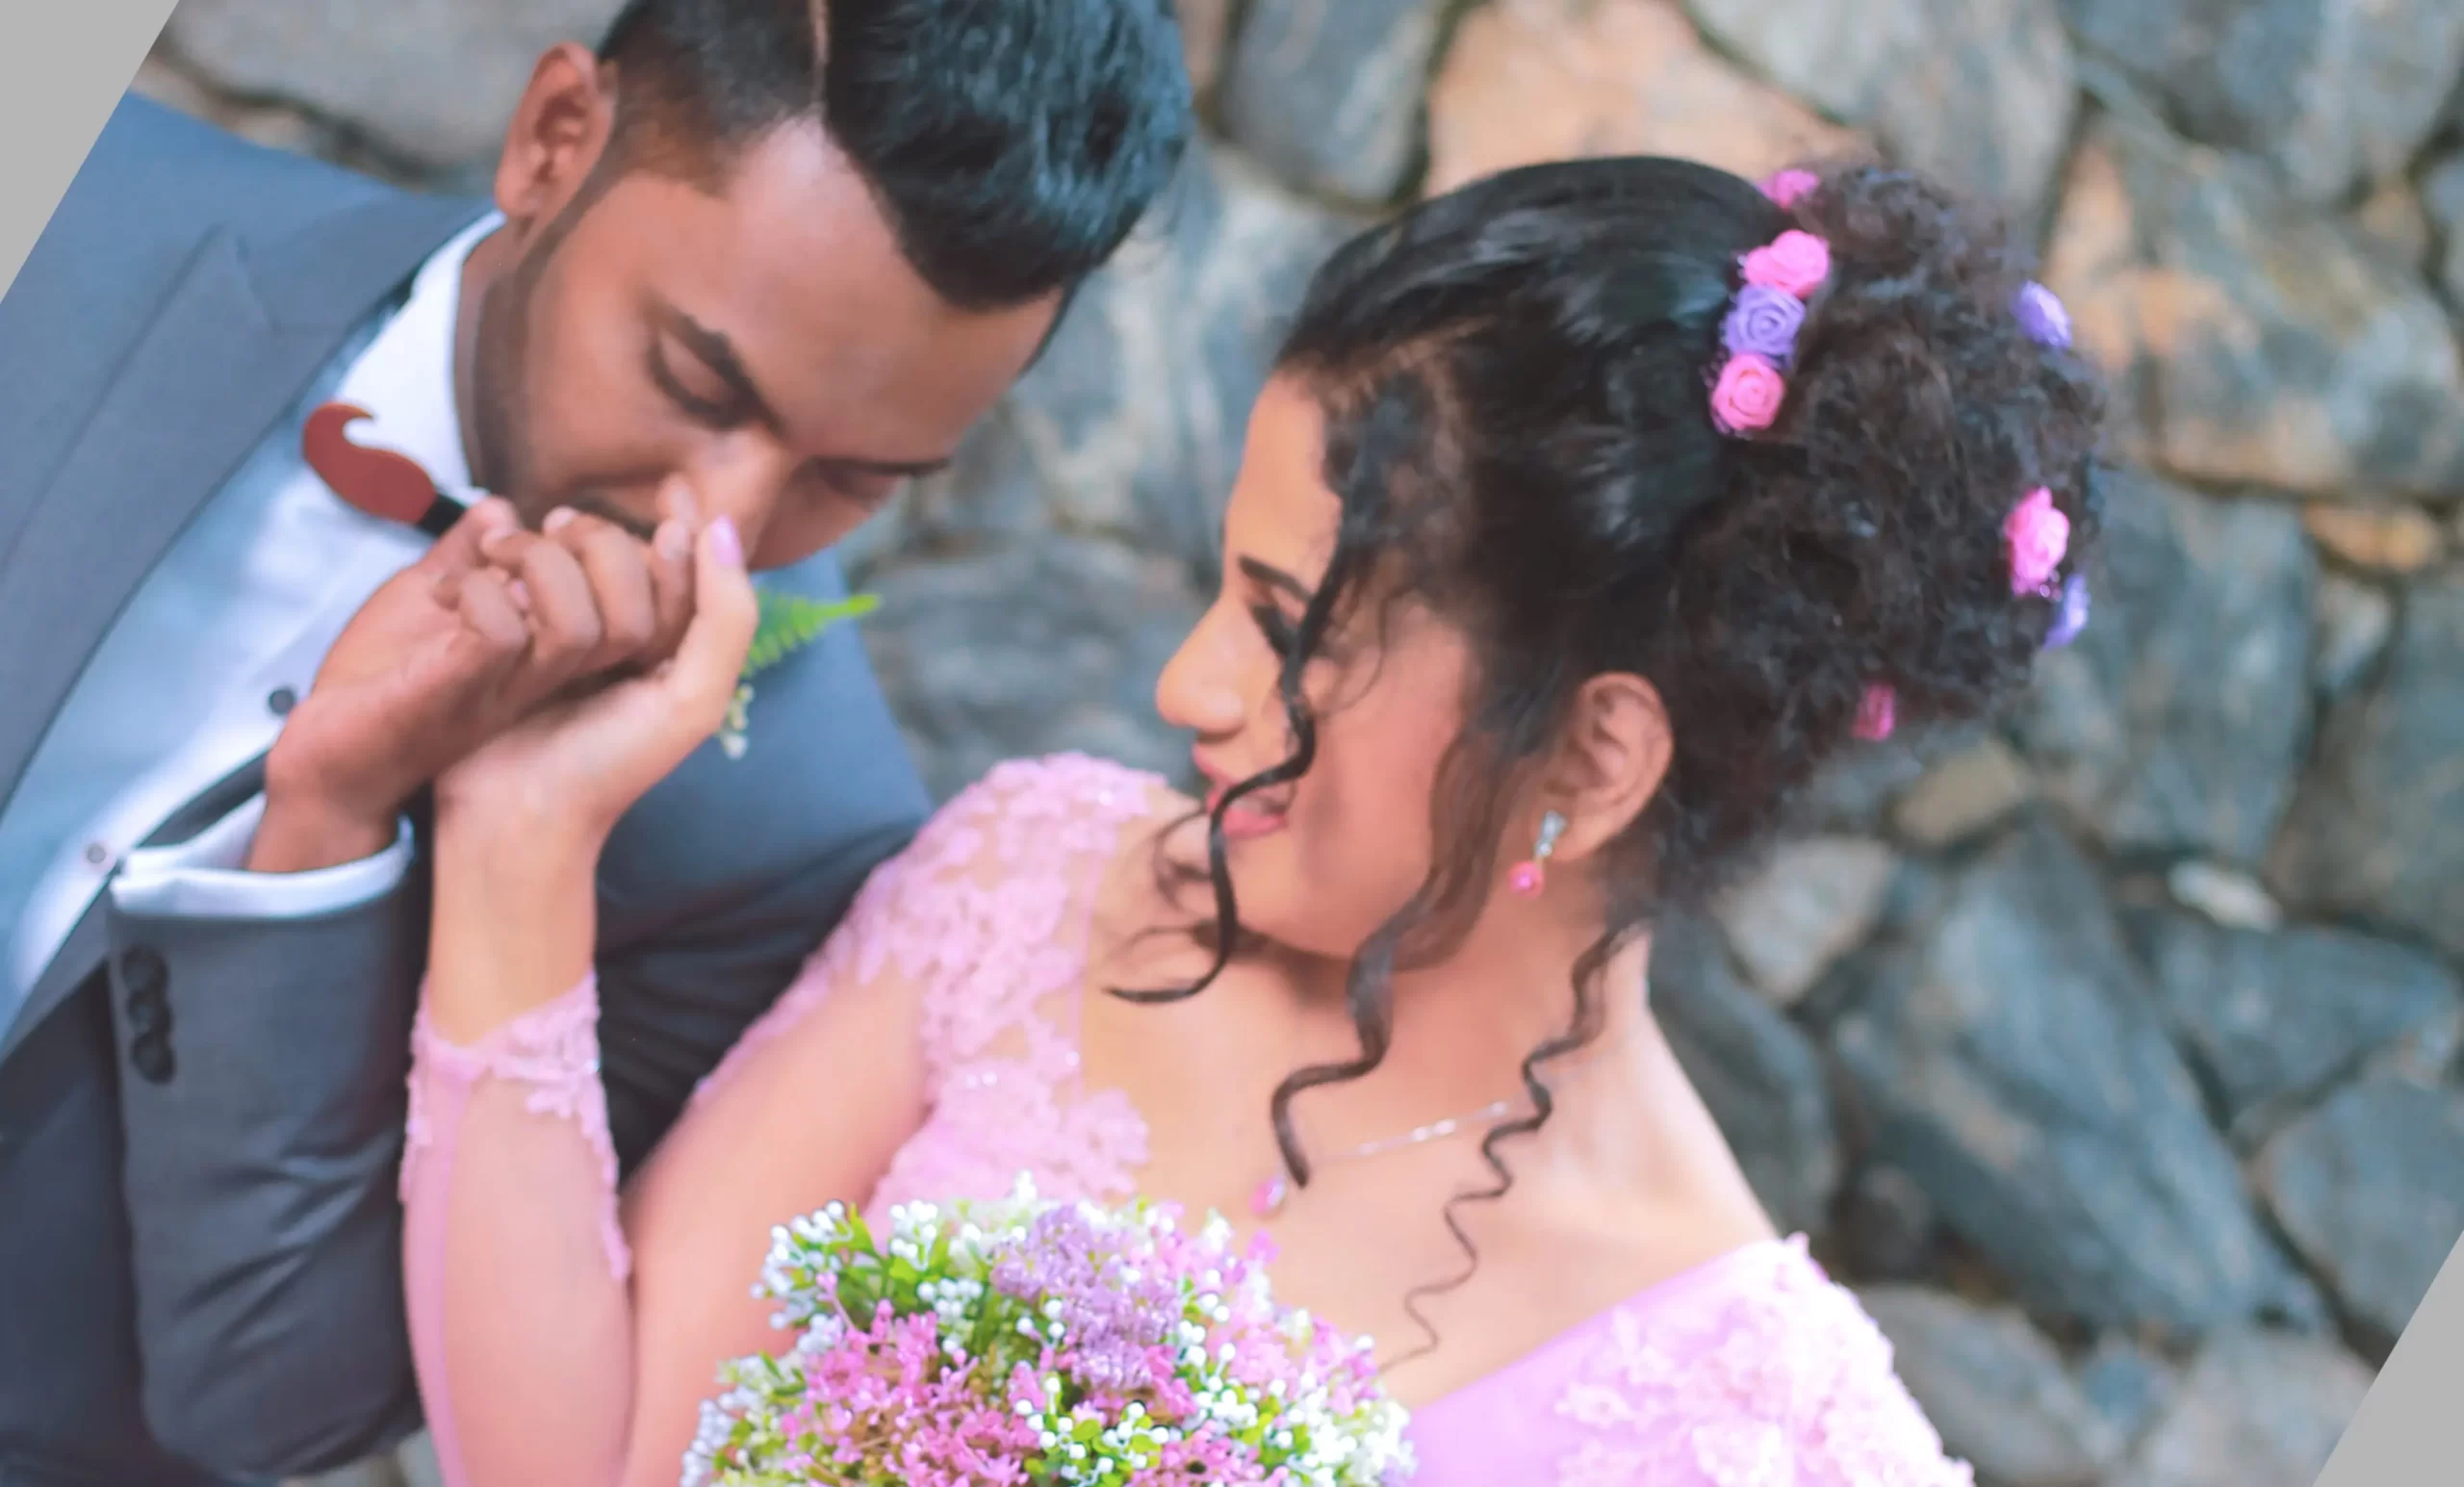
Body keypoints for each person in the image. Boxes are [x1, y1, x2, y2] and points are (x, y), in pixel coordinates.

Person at [402, 155, 2106, 1484]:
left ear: (1591, 763)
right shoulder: (1042, 881)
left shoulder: (1767, 1435)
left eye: (1293, 632)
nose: (1186, 688)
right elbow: (583, 1460)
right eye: (1226, 590)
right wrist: (516, 840)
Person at [0, 1, 1193, 1481]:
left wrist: (324, 840)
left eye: (856, 479)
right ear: (554, 141)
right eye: (697, 384)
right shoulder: (66, 192)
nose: (724, 537)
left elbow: (271, 1409)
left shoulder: (787, 845)